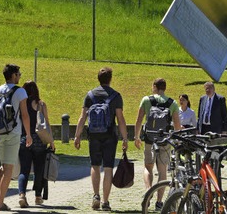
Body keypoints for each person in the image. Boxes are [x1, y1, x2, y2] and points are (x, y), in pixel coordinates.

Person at [74, 67, 128, 211]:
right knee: (108, 167)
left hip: (94, 135)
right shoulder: (116, 96)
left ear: (98, 79)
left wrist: (77, 135)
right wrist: (125, 138)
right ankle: (105, 201)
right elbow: (121, 119)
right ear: (110, 79)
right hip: (110, 134)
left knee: (95, 165)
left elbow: (82, 117)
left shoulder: (90, 95)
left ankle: (96, 195)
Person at [0, 64, 32, 211]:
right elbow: (25, 115)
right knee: (9, 168)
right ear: (13, 75)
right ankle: (0, 203)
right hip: (13, 133)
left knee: (3, 166)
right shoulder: (20, 92)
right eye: (18, 74)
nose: (19, 76)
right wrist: (28, 135)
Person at [134, 78, 181, 211]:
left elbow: (138, 121)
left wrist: (137, 137)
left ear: (154, 86)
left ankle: (149, 192)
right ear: (165, 88)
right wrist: (177, 141)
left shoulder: (146, 100)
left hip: (149, 139)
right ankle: (159, 202)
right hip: (165, 140)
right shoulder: (172, 103)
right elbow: (177, 126)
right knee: (162, 170)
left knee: (148, 167)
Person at [17, 80, 55, 208]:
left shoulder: (21, 104)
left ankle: (22, 195)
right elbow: (47, 123)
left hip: (25, 138)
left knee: (24, 170)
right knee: (39, 169)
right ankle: (38, 197)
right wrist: (51, 141)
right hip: (39, 140)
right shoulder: (41, 104)